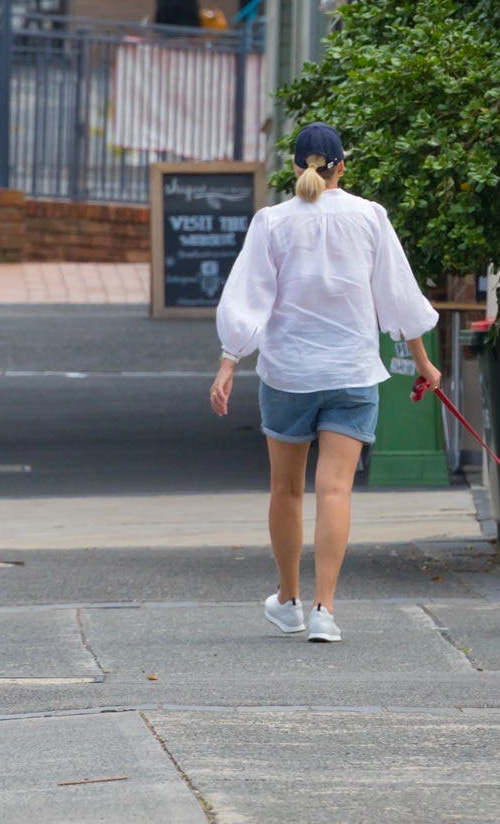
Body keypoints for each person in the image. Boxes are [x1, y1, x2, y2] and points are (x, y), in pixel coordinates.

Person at [209, 123, 442, 644]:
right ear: (343, 165)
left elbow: (248, 298)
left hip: (289, 374)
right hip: (353, 373)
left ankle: (288, 600)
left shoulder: (271, 223)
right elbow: (397, 300)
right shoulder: (370, 217)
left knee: (286, 489)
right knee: (335, 489)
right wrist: (423, 363)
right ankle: (324, 611)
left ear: (295, 167)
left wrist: (228, 362)